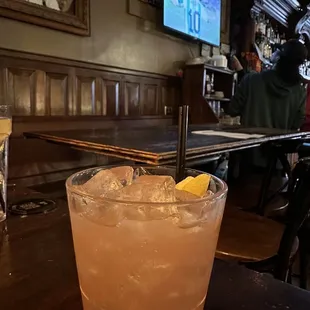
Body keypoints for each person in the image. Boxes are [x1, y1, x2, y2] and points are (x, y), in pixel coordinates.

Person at [228, 39, 307, 130]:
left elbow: (233, 110)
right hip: (280, 143)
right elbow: (297, 124)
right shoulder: (300, 92)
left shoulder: (251, 80)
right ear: (300, 64)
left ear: (278, 57)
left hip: (250, 142)